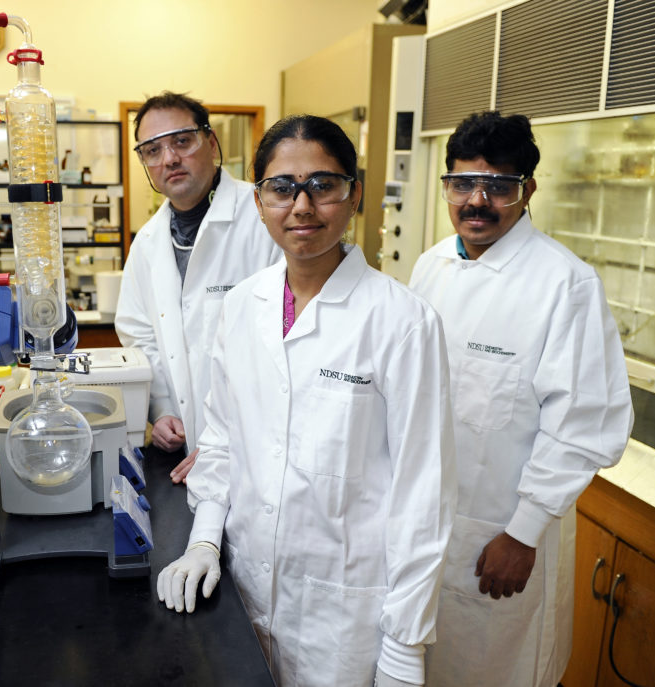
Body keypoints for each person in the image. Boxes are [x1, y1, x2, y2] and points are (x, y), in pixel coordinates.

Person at [156, 115, 457, 687]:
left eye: (323, 185)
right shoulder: (242, 305)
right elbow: (222, 440)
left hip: (344, 616)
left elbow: (425, 492)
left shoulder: (403, 322)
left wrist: (405, 643)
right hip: (243, 589)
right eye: (282, 187)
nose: (302, 206)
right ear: (259, 200)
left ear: (354, 195)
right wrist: (204, 540)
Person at [409, 111, 634, 687]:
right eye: (462, 183)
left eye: (499, 186)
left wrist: (524, 532)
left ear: (527, 190)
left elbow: (584, 424)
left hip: (502, 536)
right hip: (426, 527)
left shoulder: (564, 284)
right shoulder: (431, 266)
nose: (477, 201)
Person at [115, 92, 282, 482]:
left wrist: (229, 438)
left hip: (258, 447)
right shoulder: (147, 243)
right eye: (152, 150)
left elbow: (284, 343)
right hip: (183, 452)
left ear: (210, 141)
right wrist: (160, 410)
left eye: (182, 141)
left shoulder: (265, 218)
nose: (169, 158)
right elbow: (139, 335)